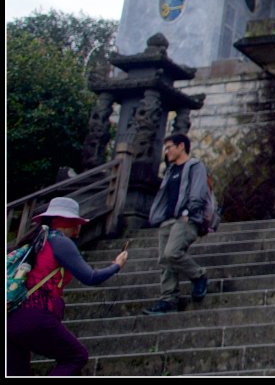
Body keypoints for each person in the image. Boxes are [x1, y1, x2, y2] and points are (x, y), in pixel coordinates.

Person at [6, 197, 128, 375]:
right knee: (76, 356)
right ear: (64, 222)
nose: (78, 229)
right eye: (76, 223)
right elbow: (90, 277)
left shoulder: (37, 241)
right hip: (34, 314)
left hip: (11, 317)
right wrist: (117, 265)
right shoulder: (60, 242)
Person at [142, 133, 210, 315]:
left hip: (186, 219)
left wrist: (188, 212)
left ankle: (198, 274)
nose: (167, 151)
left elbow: (198, 191)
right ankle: (168, 299)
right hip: (167, 220)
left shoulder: (195, 166)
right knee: (164, 261)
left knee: (172, 252)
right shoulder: (170, 171)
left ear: (181, 146)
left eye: (169, 147)